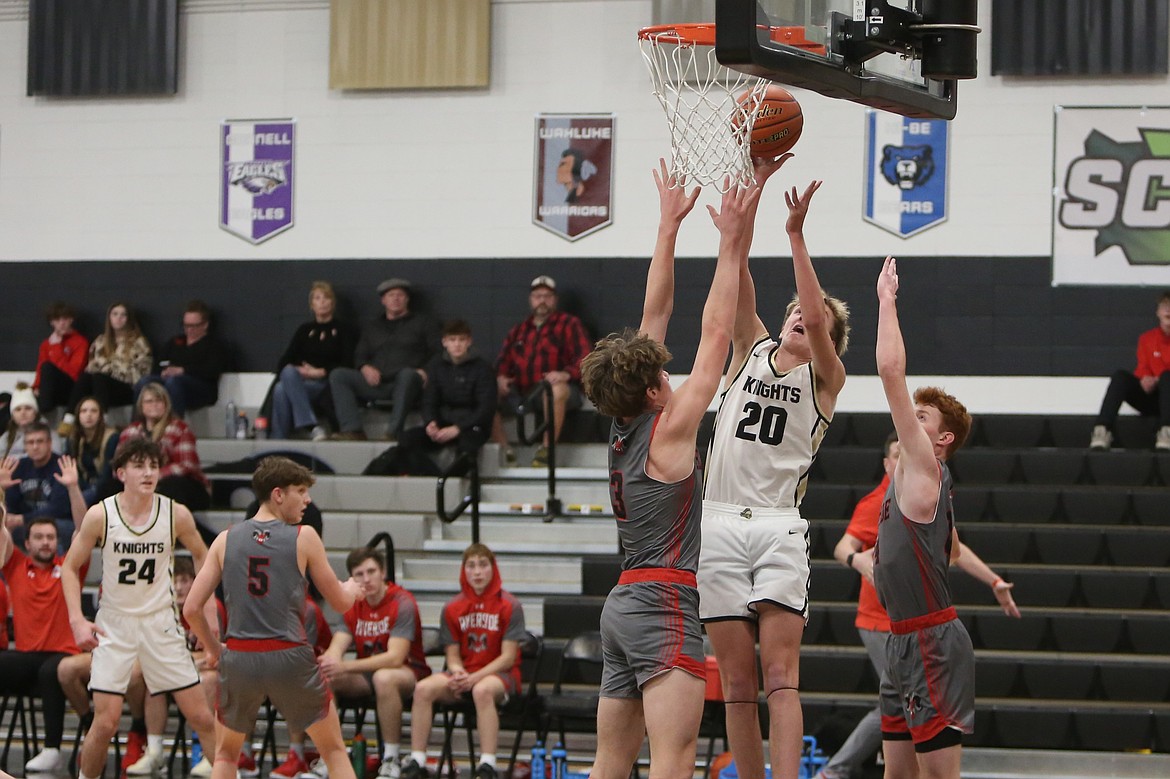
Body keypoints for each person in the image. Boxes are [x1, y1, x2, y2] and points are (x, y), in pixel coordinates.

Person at [577, 160, 756, 779]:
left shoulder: (622, 422)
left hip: (622, 602)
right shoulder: (670, 426)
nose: (669, 372)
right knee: (673, 760)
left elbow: (653, 317)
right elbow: (713, 336)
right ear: (655, 388)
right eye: (662, 373)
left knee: (610, 761)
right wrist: (731, 240)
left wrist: (667, 228)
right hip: (665, 600)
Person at [697, 166, 851, 779]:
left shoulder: (827, 380)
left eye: (810, 318)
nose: (799, 317)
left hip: (779, 527)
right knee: (736, 682)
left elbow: (818, 318)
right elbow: (737, 287)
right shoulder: (748, 350)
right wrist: (737, 230)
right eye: (792, 311)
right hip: (717, 524)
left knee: (781, 676)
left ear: (828, 340)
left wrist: (795, 235)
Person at [815, 434, 1020, 779]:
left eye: (906, 452)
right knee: (893, 703)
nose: (903, 459)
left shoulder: (927, 493)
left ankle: (844, 769)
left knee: (900, 707)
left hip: (914, 626)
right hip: (883, 622)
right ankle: (835, 770)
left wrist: (993, 580)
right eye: (896, 454)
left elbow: (954, 548)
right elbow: (841, 547)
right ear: (886, 463)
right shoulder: (879, 501)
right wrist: (858, 560)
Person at [182, 455, 363, 779]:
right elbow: (340, 603)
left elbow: (191, 609)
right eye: (301, 490)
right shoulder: (303, 536)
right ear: (278, 494)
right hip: (288, 655)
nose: (307, 499)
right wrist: (351, 588)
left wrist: (212, 649)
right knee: (334, 750)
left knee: (225, 755)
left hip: (239, 657)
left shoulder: (225, 539)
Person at [61, 437, 220, 779]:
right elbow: (70, 568)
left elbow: (204, 557)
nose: (148, 473)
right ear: (121, 473)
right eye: (139, 466)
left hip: (160, 623)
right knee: (105, 723)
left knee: (203, 717)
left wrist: (203, 608)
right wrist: (77, 619)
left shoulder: (176, 513)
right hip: (115, 625)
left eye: (153, 466)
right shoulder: (100, 514)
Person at [873, 255, 975, 779]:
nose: (910, 419)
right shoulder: (907, 477)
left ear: (942, 440)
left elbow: (891, 371)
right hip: (901, 637)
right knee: (898, 773)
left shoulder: (926, 467)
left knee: (938, 777)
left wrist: (886, 302)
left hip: (930, 640)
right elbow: (949, 549)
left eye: (922, 417)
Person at [401, 544, 524, 779]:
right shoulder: (452, 608)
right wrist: (458, 672)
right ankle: (417, 759)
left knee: (482, 690)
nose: (477, 572)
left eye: (483, 565)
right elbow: (453, 656)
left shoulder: (510, 605)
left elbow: (508, 658)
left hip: (501, 676)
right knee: (423, 688)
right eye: (471, 566)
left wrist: (475, 678)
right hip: (465, 674)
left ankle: (487, 764)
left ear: (493, 568)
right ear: (464, 570)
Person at [0, 459, 90, 775]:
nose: (45, 542)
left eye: (50, 537)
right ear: (27, 543)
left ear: (58, 541)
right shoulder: (15, 566)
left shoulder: (69, 568)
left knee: (53, 669)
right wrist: (0, 489)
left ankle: (52, 749)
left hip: (63, 657)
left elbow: (84, 529)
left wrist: (73, 487)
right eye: (38, 537)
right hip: (27, 658)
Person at [318, 547, 431, 779]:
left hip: (408, 671)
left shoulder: (402, 602)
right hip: (367, 672)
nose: (366, 579)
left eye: (371, 572)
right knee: (324, 677)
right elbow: (337, 645)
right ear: (351, 578)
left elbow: (395, 657)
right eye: (359, 574)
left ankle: (391, 758)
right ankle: (329, 757)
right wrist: (328, 661)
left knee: (384, 678)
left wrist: (345, 666)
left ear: (383, 572)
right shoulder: (351, 603)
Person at [491, 275, 592, 467]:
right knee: (487, 390)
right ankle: (505, 451)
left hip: (559, 390)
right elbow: (503, 361)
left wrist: (566, 373)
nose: (542, 300)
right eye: (537, 296)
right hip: (523, 392)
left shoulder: (569, 324)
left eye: (547, 295)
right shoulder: (519, 330)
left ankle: (546, 450)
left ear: (555, 299)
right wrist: (501, 378)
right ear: (531, 299)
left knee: (555, 390)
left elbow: (586, 359)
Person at [330, 279, 440, 441]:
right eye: (391, 295)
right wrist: (364, 367)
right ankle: (353, 430)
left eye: (400, 295)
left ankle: (393, 432)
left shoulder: (423, 323)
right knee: (338, 375)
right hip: (377, 382)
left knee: (407, 375)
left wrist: (425, 371)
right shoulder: (373, 326)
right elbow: (360, 355)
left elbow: (438, 352)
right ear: (383, 300)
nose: (395, 299)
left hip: (407, 382)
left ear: (407, 299)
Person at [390, 319, 495, 475]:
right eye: (452, 340)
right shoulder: (436, 365)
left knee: (467, 448)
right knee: (406, 440)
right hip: (442, 423)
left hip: (472, 427)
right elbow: (429, 399)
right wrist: (431, 422)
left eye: (461, 340)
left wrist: (458, 428)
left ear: (469, 341)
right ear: (444, 342)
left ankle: (453, 483)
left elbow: (486, 408)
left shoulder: (483, 368)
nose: (457, 344)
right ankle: (433, 477)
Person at [269, 281, 358, 440]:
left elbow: (347, 362)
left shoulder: (344, 329)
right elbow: (284, 362)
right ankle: (307, 427)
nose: (322, 302)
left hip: (326, 383)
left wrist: (320, 372)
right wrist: (304, 372)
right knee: (285, 379)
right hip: (301, 382)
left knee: (281, 389)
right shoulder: (304, 330)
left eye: (326, 298)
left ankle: (288, 434)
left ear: (332, 303)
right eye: (317, 298)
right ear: (312, 305)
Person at [114, 382, 212, 517]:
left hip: (184, 486)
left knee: (170, 486)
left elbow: (187, 466)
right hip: (141, 483)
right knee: (110, 486)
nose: (154, 404)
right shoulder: (130, 432)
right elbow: (118, 465)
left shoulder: (180, 428)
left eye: (158, 401)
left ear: (166, 405)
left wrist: (154, 475)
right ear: (141, 407)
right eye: (149, 401)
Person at [1090, 290, 1170, 451]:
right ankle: (1102, 429)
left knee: (1167, 377)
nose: (1169, 310)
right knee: (1120, 376)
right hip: (1152, 397)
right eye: (1165, 306)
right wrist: (1145, 378)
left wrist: (1159, 379)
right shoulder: (1147, 339)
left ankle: (1167, 432)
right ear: (1158, 312)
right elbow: (1142, 368)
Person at [59, 302, 153, 435]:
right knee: (87, 377)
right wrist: (107, 369)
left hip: (126, 388)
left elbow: (141, 373)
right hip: (101, 386)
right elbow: (91, 366)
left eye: (123, 315)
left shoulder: (139, 342)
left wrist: (108, 369)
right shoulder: (100, 341)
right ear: (109, 317)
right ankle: (69, 418)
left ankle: (102, 420)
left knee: (100, 377)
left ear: (129, 319)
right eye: (115, 314)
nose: (118, 318)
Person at [136, 299, 230, 417]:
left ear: (205, 324)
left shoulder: (214, 345)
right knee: (145, 382)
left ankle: (174, 425)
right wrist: (164, 372)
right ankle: (137, 425)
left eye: (194, 326)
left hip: (200, 389)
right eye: (186, 325)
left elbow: (212, 370)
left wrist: (182, 370)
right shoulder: (175, 342)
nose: (189, 329)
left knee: (174, 382)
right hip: (168, 382)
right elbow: (158, 364)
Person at [3, 421, 78, 552]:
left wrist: (22, 519)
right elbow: (12, 506)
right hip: (26, 525)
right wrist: (2, 488)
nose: (35, 446)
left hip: (59, 523)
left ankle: (54, 571)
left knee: (48, 531)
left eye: (40, 441)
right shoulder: (19, 467)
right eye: (30, 442)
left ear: (49, 443)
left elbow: (58, 509)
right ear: (25, 446)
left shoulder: (62, 466)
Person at [33, 301, 90, 415]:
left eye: (65, 319)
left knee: (48, 367)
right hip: (51, 388)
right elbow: (40, 368)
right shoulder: (46, 344)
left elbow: (74, 373)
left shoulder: (80, 342)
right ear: (51, 322)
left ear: (71, 320)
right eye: (57, 320)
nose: (61, 323)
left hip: (70, 389)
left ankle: (44, 409)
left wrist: (57, 348)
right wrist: (36, 386)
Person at [65, 396, 120, 504]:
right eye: (84, 411)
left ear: (100, 415)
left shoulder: (112, 437)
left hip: (105, 487)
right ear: (78, 415)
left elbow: (107, 473)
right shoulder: (73, 439)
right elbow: (72, 469)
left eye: (94, 411)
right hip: (83, 485)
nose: (88, 415)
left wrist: (89, 490)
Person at [3, 384, 62, 458]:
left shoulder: (50, 434)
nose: (23, 413)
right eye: (18, 409)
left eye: (28, 408)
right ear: (12, 415)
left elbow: (54, 458)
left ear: (35, 413)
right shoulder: (6, 436)